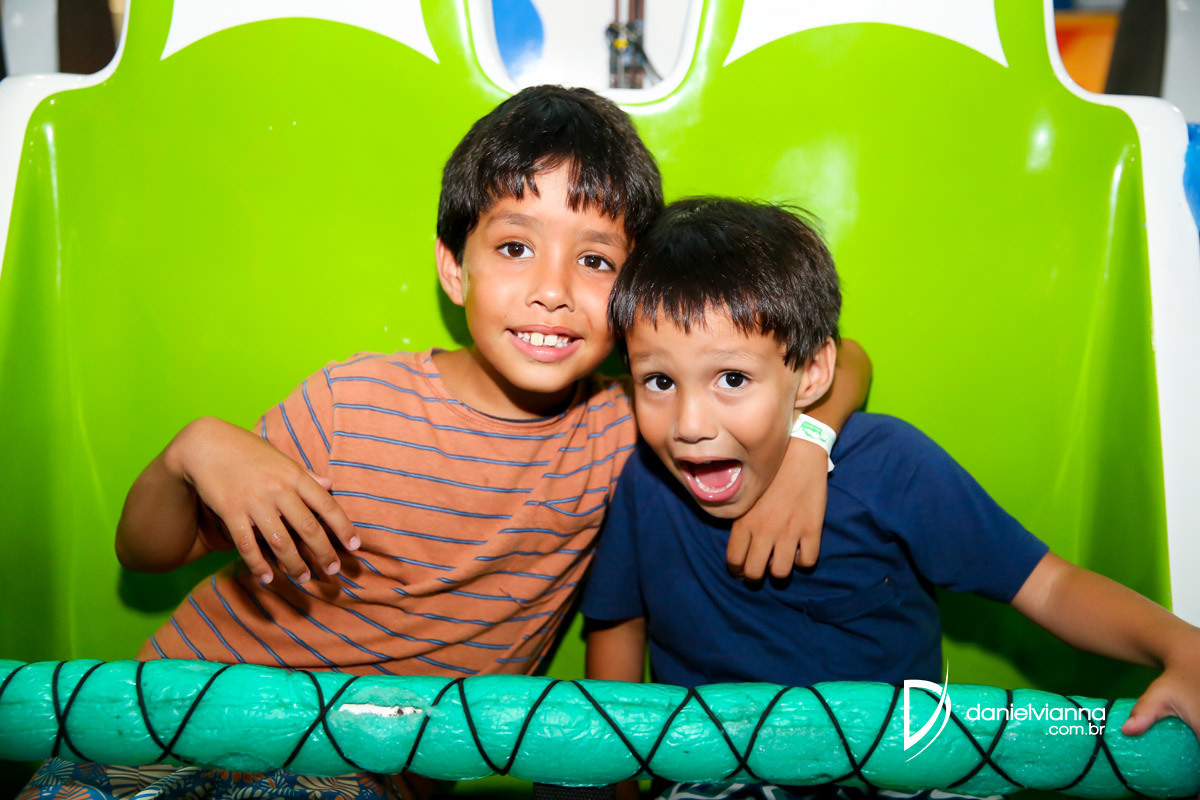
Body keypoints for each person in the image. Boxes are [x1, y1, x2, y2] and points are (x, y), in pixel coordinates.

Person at [18, 90, 871, 800]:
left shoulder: (634, 425)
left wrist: (808, 446)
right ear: (454, 269)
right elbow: (148, 551)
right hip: (163, 715)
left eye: (596, 262)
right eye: (515, 247)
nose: (551, 291)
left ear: (635, 297)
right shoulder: (350, 402)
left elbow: (840, 357)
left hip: (354, 775)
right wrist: (195, 450)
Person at [582, 197, 1200, 800]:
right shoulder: (644, 482)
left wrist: (1183, 646)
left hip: (901, 768)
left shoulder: (891, 465)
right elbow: (618, 626)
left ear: (812, 374)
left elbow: (1048, 585)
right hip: (717, 774)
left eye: (732, 378)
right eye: (659, 381)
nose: (690, 424)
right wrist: (615, 781)